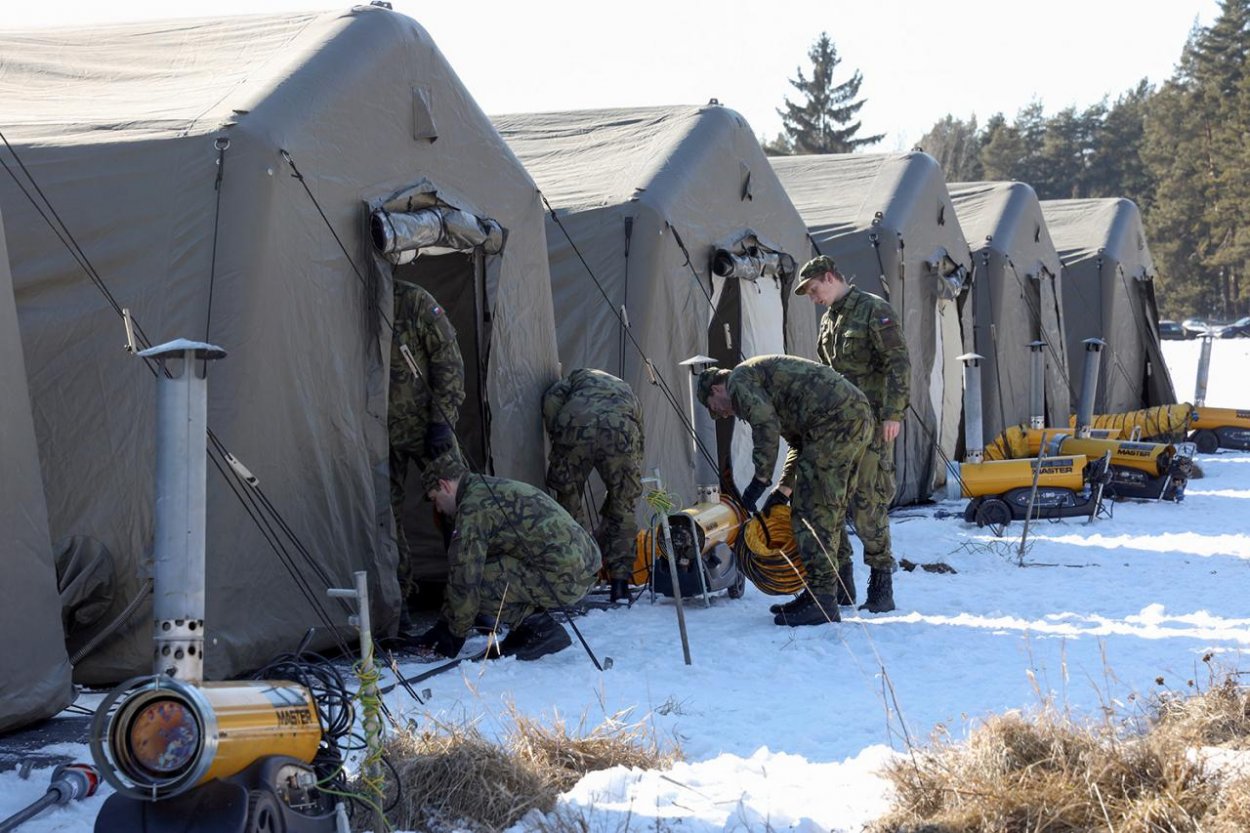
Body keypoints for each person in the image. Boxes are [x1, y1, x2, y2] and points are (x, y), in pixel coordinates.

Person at [696, 355, 874, 626]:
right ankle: (834, 588)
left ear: (716, 389)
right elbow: (799, 444)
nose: (723, 414)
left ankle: (823, 601)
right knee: (826, 507)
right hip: (847, 419)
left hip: (835, 423)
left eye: (715, 408)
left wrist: (760, 479)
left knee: (811, 512)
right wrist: (782, 491)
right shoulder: (765, 384)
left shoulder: (739, 381)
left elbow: (764, 426)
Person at [794, 255, 909, 614]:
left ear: (830, 277)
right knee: (832, 501)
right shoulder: (829, 320)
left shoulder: (874, 310)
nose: (814, 298)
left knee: (869, 502)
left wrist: (893, 413)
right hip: (836, 429)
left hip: (872, 424)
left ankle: (881, 584)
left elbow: (898, 363)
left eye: (814, 290)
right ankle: (841, 583)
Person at [410, 451, 600, 661]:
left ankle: (540, 630)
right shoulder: (487, 487)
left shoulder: (473, 507)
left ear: (445, 485)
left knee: (479, 583)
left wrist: (454, 633)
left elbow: (465, 576)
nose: (438, 508)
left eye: (435, 499)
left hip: (567, 577)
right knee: (491, 568)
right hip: (586, 566)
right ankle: (530, 626)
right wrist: (444, 623)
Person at [388, 279, 465, 609]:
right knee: (384, 518)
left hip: (426, 425)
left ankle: (469, 598)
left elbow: (448, 359)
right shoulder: (345, 301)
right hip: (377, 432)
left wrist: (441, 420)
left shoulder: (413, 300)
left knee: (460, 505)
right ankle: (397, 602)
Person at [542, 369, 644, 603]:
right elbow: (639, 434)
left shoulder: (571, 380)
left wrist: (558, 436)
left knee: (568, 501)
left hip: (575, 424)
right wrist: (627, 481)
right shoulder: (626, 390)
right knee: (624, 505)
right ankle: (620, 583)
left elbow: (551, 401)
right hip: (620, 429)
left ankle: (577, 575)